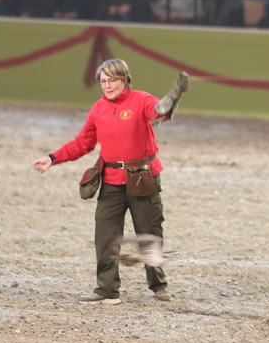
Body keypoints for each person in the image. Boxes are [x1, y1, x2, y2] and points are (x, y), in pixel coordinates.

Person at [31, 60, 188, 304]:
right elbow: (83, 143)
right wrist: (53, 158)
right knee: (105, 235)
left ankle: (158, 285)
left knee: (149, 232)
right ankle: (107, 289)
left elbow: (159, 111)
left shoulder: (141, 99)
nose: (107, 85)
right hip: (111, 180)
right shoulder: (97, 109)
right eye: (103, 81)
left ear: (125, 79)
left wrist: (171, 99)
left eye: (112, 80)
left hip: (142, 177)